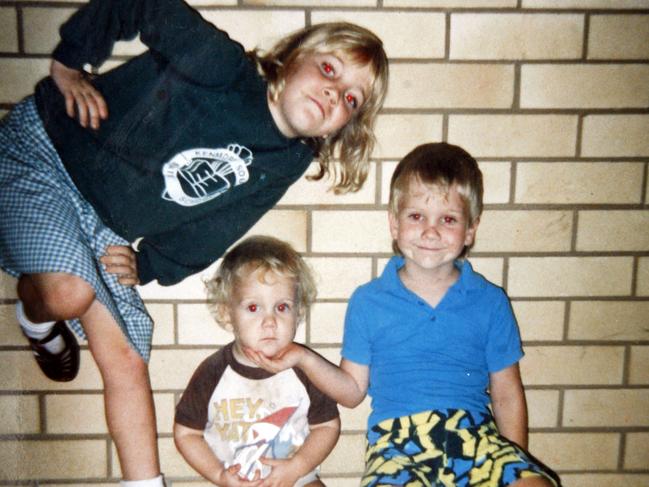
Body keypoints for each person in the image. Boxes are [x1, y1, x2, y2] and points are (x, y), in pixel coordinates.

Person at [0, 0, 388, 484]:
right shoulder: (223, 68)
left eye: (351, 100)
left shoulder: (284, 161)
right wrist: (70, 61)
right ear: (292, 59)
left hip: (106, 226)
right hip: (47, 154)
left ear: (344, 127)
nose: (335, 94)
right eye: (329, 69)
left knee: (126, 357)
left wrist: (150, 264)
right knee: (70, 294)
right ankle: (35, 316)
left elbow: (219, 226)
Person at [246, 143, 559, 486]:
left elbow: (506, 394)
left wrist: (515, 462)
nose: (431, 231)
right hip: (398, 443)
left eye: (449, 219)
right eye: (416, 216)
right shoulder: (369, 302)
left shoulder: (490, 302)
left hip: (474, 435)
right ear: (394, 224)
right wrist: (302, 358)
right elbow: (352, 392)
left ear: (470, 230)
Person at [174, 235, 340, 487]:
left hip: (296, 480)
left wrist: (297, 467)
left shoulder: (303, 369)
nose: (270, 321)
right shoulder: (214, 372)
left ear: (299, 313)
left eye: (282, 307)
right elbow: (186, 433)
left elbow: (327, 426)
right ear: (226, 313)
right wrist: (219, 475)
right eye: (253, 308)